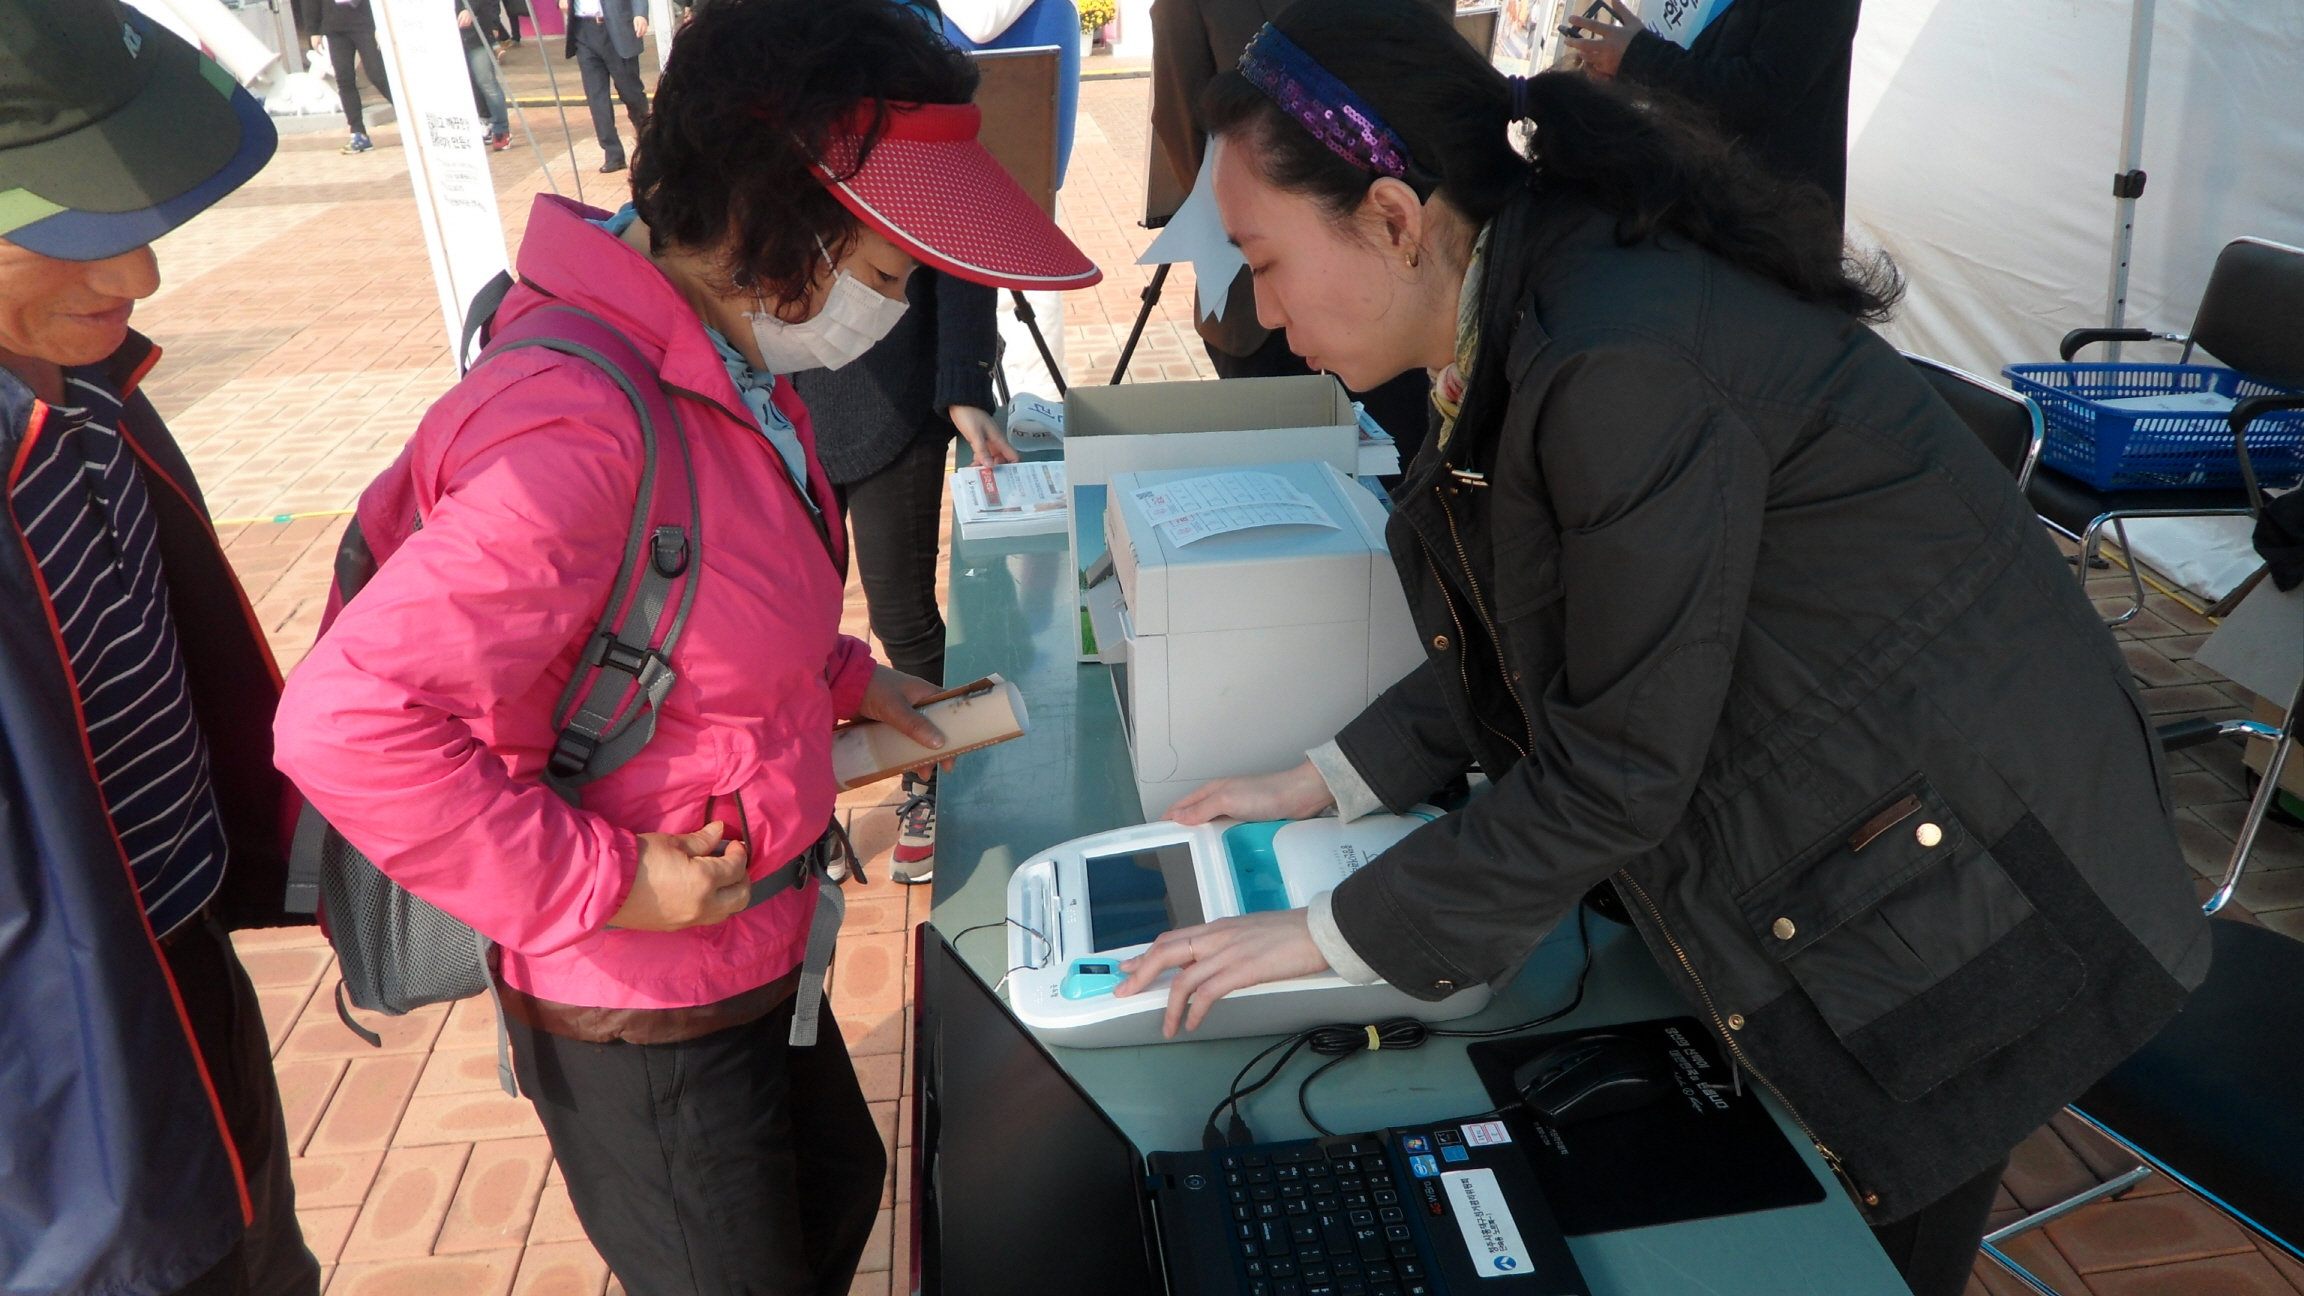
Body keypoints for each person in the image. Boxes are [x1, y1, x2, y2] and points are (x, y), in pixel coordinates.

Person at [1108, 4, 2208, 1294]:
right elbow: (1552, 621)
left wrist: (1330, 933)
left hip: (1964, 883)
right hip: (1866, 821)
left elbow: (1617, 765)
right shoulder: (1535, 307)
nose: (1256, 307)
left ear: (1397, 221)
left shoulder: (1616, 355)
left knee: (1853, 1259)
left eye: (1262, 257)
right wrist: (1331, 777)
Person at [270, 1, 1098, 1292]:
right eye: (889, 274)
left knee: (841, 1189)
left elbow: (715, 586)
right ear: (780, 213)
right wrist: (603, 883)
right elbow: (343, 724)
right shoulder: (576, 435)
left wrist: (843, 680)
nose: (895, 309)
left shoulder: (715, 356)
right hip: (641, 995)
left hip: (747, 938)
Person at [0, 5, 319, 1295]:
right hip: (54, 1119)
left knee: (262, 1259)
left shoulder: (78, 395)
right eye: (72, 234)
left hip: (183, 967)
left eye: (137, 228)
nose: (135, 282)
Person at [1149, 0, 1448, 471]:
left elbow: (1430, 88)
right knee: (1277, 482)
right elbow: (1180, 118)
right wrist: (1253, 237)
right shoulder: (1265, 301)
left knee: (1403, 466)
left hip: (1401, 283)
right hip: (1245, 312)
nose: (1277, 312)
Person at [791, 266, 1003, 886]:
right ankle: (804, 806)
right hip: (782, 400)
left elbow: (960, 247)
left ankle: (936, 770)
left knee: (901, 616)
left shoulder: (915, 178)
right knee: (791, 636)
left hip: (896, 397)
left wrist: (964, 381)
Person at [1563, 0, 1863, 212]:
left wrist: (1639, 56)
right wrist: (1625, 68)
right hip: (1699, 196)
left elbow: (1763, 91)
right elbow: (1705, 67)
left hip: (1767, 222)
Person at [561, 0, 650, 173]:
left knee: (631, 93)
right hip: (583, 30)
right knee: (596, 98)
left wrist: (640, 14)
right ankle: (613, 153)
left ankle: (648, 142)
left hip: (616, 29)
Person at [301, 0, 394, 155]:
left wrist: (381, 21)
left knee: (377, 75)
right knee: (344, 79)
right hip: (335, 26)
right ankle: (358, 132)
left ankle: (409, 116)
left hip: (366, 21)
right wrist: (313, 30)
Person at [459, 0, 513, 150]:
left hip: (476, 34)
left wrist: (469, 9)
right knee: (470, 84)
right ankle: (484, 122)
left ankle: (501, 130)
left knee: (486, 82)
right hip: (451, 37)